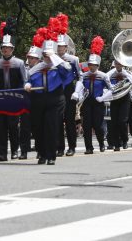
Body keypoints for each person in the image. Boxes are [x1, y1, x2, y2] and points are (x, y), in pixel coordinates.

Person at [25, 28, 72, 165]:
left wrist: (54, 57)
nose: (47, 57)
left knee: (51, 127)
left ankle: (51, 155)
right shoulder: (35, 68)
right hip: (38, 99)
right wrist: (27, 85)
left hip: (54, 99)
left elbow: (67, 70)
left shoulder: (60, 67)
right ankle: (42, 153)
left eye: (49, 54)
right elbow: (28, 79)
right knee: (38, 127)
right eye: (45, 54)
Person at [0, 23, 27, 160]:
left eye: (8, 48)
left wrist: (21, 96)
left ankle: (14, 150)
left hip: (14, 98)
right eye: (3, 48)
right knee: (1, 127)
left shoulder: (19, 63)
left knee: (13, 126)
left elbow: (24, 81)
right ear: (1, 49)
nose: (5, 50)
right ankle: (2, 153)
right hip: (1, 99)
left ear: (12, 49)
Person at [72, 37, 112, 154]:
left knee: (98, 126)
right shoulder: (84, 75)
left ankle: (101, 144)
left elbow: (111, 89)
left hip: (99, 102)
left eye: (94, 64)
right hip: (87, 102)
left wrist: (103, 98)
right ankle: (89, 147)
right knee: (87, 125)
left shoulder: (104, 76)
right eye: (90, 64)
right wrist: (77, 93)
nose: (92, 66)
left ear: (98, 65)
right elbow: (80, 84)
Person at [55, 14, 81, 157]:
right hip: (56, 91)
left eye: (62, 46)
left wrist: (77, 91)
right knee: (58, 120)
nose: (60, 49)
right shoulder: (52, 59)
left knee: (69, 120)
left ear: (66, 47)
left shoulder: (73, 59)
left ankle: (71, 146)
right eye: (58, 46)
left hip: (69, 91)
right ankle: (59, 147)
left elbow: (80, 77)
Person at [105, 59, 132, 151]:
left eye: (119, 64)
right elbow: (106, 78)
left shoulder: (127, 73)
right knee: (114, 122)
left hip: (125, 98)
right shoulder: (111, 73)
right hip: (114, 98)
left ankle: (125, 140)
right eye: (116, 64)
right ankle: (117, 144)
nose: (118, 66)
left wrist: (124, 73)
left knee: (122, 121)